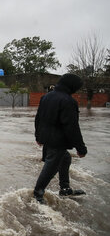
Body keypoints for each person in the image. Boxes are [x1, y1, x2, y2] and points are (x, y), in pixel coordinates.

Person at [33, 73, 87, 204]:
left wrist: (38, 136)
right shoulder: (68, 101)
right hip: (58, 140)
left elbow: (38, 118)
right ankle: (37, 193)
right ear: (72, 86)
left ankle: (65, 188)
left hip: (46, 137)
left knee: (65, 158)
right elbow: (72, 127)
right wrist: (81, 148)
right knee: (51, 165)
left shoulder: (46, 97)